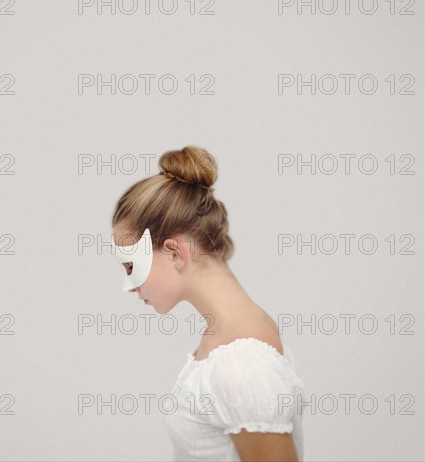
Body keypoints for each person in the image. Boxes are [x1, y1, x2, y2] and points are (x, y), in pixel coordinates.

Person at [110, 145, 306, 462]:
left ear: (175, 252)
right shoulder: (230, 338)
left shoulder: (241, 364)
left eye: (131, 266)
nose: (129, 286)